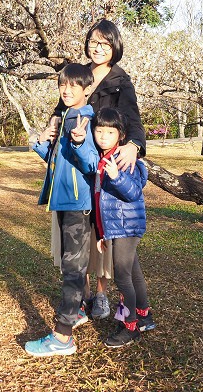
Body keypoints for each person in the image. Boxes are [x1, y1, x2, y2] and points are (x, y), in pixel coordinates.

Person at [51, 19, 146, 321]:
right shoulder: (78, 74)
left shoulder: (121, 80)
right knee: (80, 233)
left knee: (103, 228)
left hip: (103, 160)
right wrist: (53, 122)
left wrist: (134, 145)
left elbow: (131, 118)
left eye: (105, 42)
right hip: (77, 163)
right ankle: (84, 294)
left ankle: (102, 295)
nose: (98, 47)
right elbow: (62, 106)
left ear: (115, 46)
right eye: (94, 41)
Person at [25, 63, 98, 357]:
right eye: (62, 85)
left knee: (73, 268)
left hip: (78, 205)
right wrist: (41, 143)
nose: (66, 91)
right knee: (72, 267)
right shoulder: (67, 116)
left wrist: (80, 143)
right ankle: (78, 310)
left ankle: (63, 337)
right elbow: (59, 163)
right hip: (65, 201)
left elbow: (91, 163)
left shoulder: (83, 119)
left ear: (86, 89)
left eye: (73, 86)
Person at [71, 107, 153, 348]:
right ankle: (144, 315)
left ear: (121, 134)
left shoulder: (126, 159)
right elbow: (100, 201)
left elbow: (133, 192)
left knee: (123, 275)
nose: (104, 136)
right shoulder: (102, 158)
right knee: (134, 273)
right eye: (99, 131)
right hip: (116, 227)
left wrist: (117, 176)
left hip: (128, 225)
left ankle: (130, 327)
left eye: (110, 132)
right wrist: (102, 232)